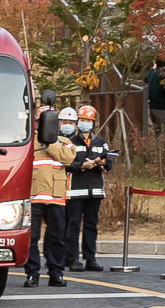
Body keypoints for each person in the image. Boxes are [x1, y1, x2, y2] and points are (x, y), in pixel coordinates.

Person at [26, 115, 76, 288]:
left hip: (56, 197)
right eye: (40, 121)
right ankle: (32, 273)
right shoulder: (28, 140)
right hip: (34, 195)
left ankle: (56, 273)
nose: (42, 124)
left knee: (57, 237)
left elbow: (68, 159)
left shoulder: (64, 141)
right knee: (31, 237)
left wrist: (50, 141)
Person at [63, 104, 110, 272]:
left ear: (93, 123)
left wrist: (102, 162)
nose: (85, 123)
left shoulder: (101, 142)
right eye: (82, 120)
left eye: (88, 120)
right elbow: (66, 164)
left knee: (91, 225)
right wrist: (82, 165)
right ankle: (72, 258)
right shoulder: (70, 142)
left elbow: (109, 164)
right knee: (73, 224)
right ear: (77, 122)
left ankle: (91, 258)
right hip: (76, 190)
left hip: (95, 191)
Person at [143, 55, 165, 133]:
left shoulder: (151, 73)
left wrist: (152, 68)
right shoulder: (163, 75)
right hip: (162, 107)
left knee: (157, 130)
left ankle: (157, 144)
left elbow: (145, 79)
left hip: (152, 106)